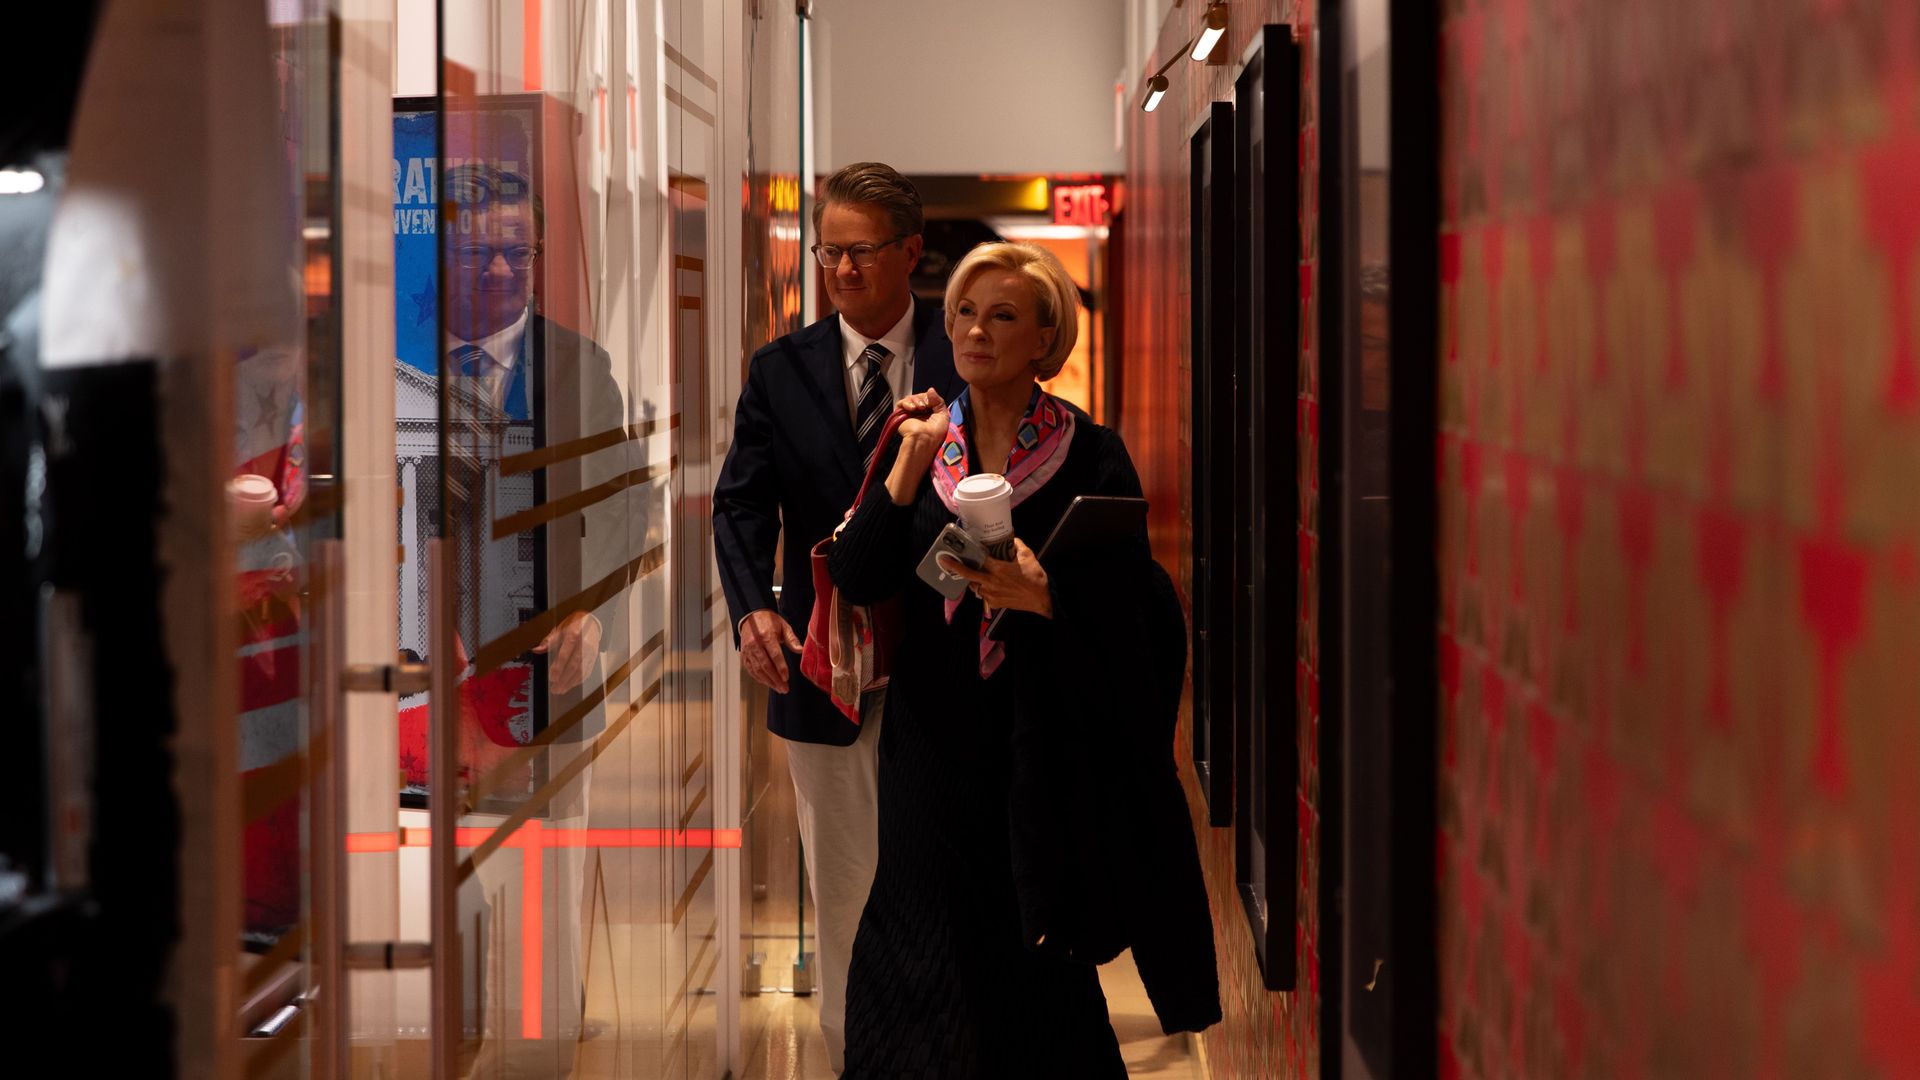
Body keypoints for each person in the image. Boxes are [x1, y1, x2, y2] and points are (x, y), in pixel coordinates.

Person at [826, 242, 1219, 1077]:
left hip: (1037, 745)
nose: (974, 331)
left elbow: (1138, 616)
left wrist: (1047, 601)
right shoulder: (921, 436)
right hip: (929, 743)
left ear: (1044, 339)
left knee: (1034, 955)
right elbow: (858, 576)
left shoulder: (1092, 454)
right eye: (966, 311)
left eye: (1002, 316)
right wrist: (904, 470)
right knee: (913, 942)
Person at [712, 161, 961, 1071]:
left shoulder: (961, 356)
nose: (844, 271)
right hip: (822, 672)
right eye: (830, 254)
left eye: (862, 253)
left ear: (910, 253)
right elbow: (738, 506)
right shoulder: (782, 371)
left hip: (944, 663)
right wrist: (751, 615)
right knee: (846, 883)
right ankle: (859, 1055)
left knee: (942, 874)